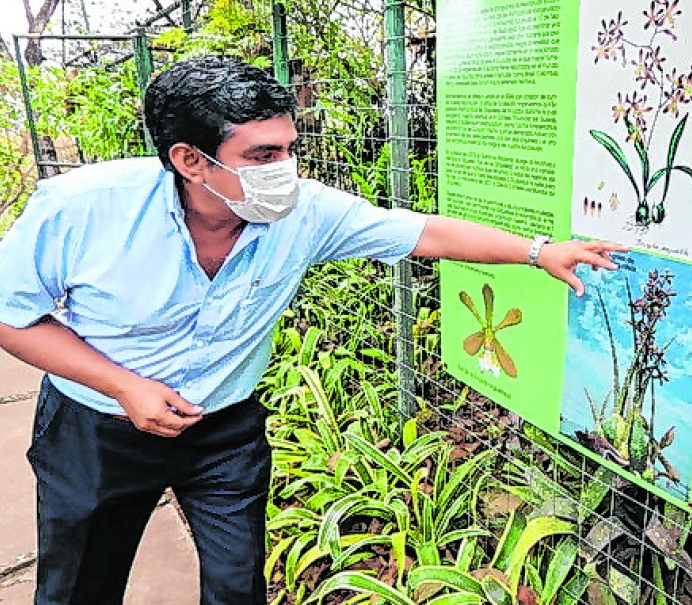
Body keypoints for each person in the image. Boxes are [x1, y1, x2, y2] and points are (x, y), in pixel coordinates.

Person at [0, 54, 621, 605]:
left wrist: (540, 252)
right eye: (263, 156)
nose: (286, 170)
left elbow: (422, 232)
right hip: (95, 431)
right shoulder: (80, 209)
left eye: (289, 149)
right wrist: (121, 385)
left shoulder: (306, 213)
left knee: (238, 584)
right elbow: (11, 316)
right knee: (80, 585)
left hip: (224, 432)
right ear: (190, 160)